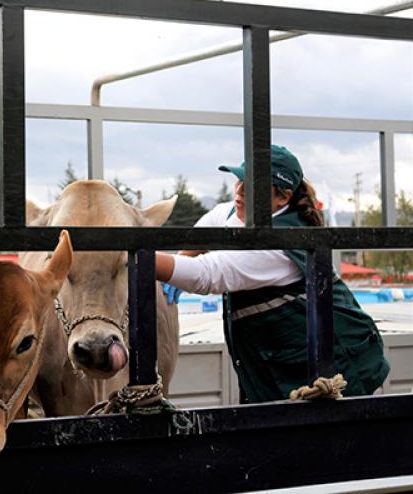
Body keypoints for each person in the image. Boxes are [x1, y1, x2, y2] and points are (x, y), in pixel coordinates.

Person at [155, 145, 389, 403]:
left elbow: (209, 274)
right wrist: (182, 259)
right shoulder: (239, 210)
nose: (240, 190)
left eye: (253, 185)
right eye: (240, 179)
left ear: (283, 197)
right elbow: (208, 225)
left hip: (339, 367)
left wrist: (135, 256)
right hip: (283, 363)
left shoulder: (280, 243)